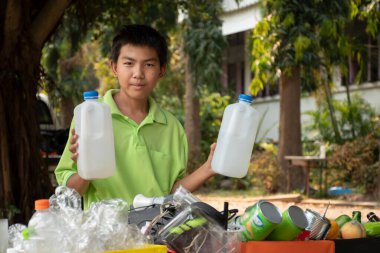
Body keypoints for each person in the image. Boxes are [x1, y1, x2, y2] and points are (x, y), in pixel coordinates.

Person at [55, 24, 216, 209]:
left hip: (154, 233)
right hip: (107, 234)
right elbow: (70, 194)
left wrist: (208, 169)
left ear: (161, 70)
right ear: (114, 67)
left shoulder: (171, 127)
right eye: (129, 63)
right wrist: (87, 170)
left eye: (148, 64)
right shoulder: (90, 117)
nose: (138, 74)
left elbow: (172, 194)